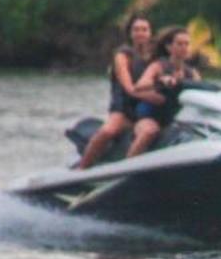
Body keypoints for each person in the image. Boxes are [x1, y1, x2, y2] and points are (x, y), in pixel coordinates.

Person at [74, 14, 157, 170]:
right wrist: (153, 97)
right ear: (130, 33)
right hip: (123, 110)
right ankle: (82, 169)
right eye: (136, 30)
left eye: (144, 30)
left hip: (146, 111)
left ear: (150, 33)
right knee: (107, 131)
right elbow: (128, 87)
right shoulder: (122, 54)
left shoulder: (155, 58)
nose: (140, 33)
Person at [124, 26, 202, 158]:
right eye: (179, 44)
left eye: (187, 44)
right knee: (150, 131)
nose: (184, 47)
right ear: (169, 47)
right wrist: (160, 80)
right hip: (151, 117)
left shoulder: (192, 73)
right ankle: (126, 167)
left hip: (176, 118)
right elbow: (139, 86)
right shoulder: (158, 66)